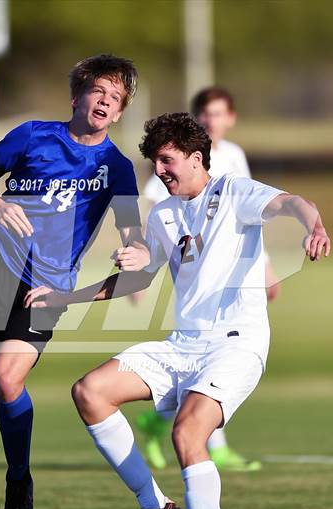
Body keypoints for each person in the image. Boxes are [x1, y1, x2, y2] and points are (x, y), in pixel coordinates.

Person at [25, 112, 330, 509]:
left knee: (188, 431)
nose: (160, 171)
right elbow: (134, 281)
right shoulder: (164, 214)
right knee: (90, 392)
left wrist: (315, 225)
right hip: (183, 343)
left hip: (236, 344)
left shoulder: (233, 192)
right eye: (154, 163)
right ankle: (156, 508)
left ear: (194, 157)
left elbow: (292, 202)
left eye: (167, 161)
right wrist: (66, 297)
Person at [0, 54, 149, 509]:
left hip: (47, 288)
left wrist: (136, 251)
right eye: (97, 90)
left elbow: (133, 237)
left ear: (119, 111)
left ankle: (17, 480)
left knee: (8, 378)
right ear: (76, 95)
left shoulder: (115, 168)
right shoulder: (31, 136)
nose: (103, 101)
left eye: (114, 98)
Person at [138, 87, 277, 471]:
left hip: (233, 280)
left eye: (217, 114)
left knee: (214, 367)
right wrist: (145, 255)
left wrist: (264, 265)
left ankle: (161, 423)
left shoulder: (233, 159)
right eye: (205, 114)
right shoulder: (174, 167)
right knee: (205, 359)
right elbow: (160, 205)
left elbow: (249, 212)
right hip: (197, 278)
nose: (211, 121)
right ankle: (213, 449)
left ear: (230, 118)